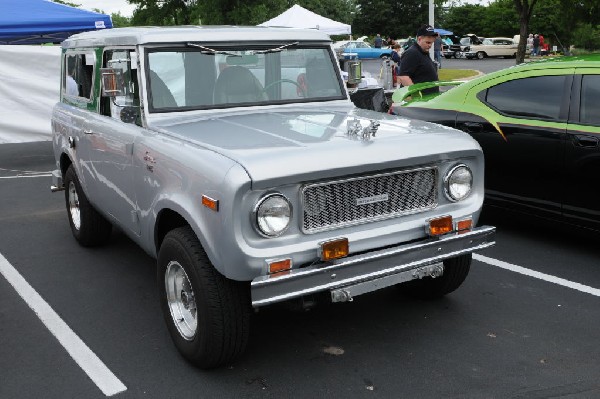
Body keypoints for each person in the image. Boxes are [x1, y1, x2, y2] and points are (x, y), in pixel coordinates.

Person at [397, 24, 439, 95]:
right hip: (418, 101)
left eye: (431, 43)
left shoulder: (422, 52)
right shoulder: (412, 53)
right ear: (419, 39)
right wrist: (416, 96)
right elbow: (403, 77)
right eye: (428, 42)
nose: (430, 45)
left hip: (427, 100)